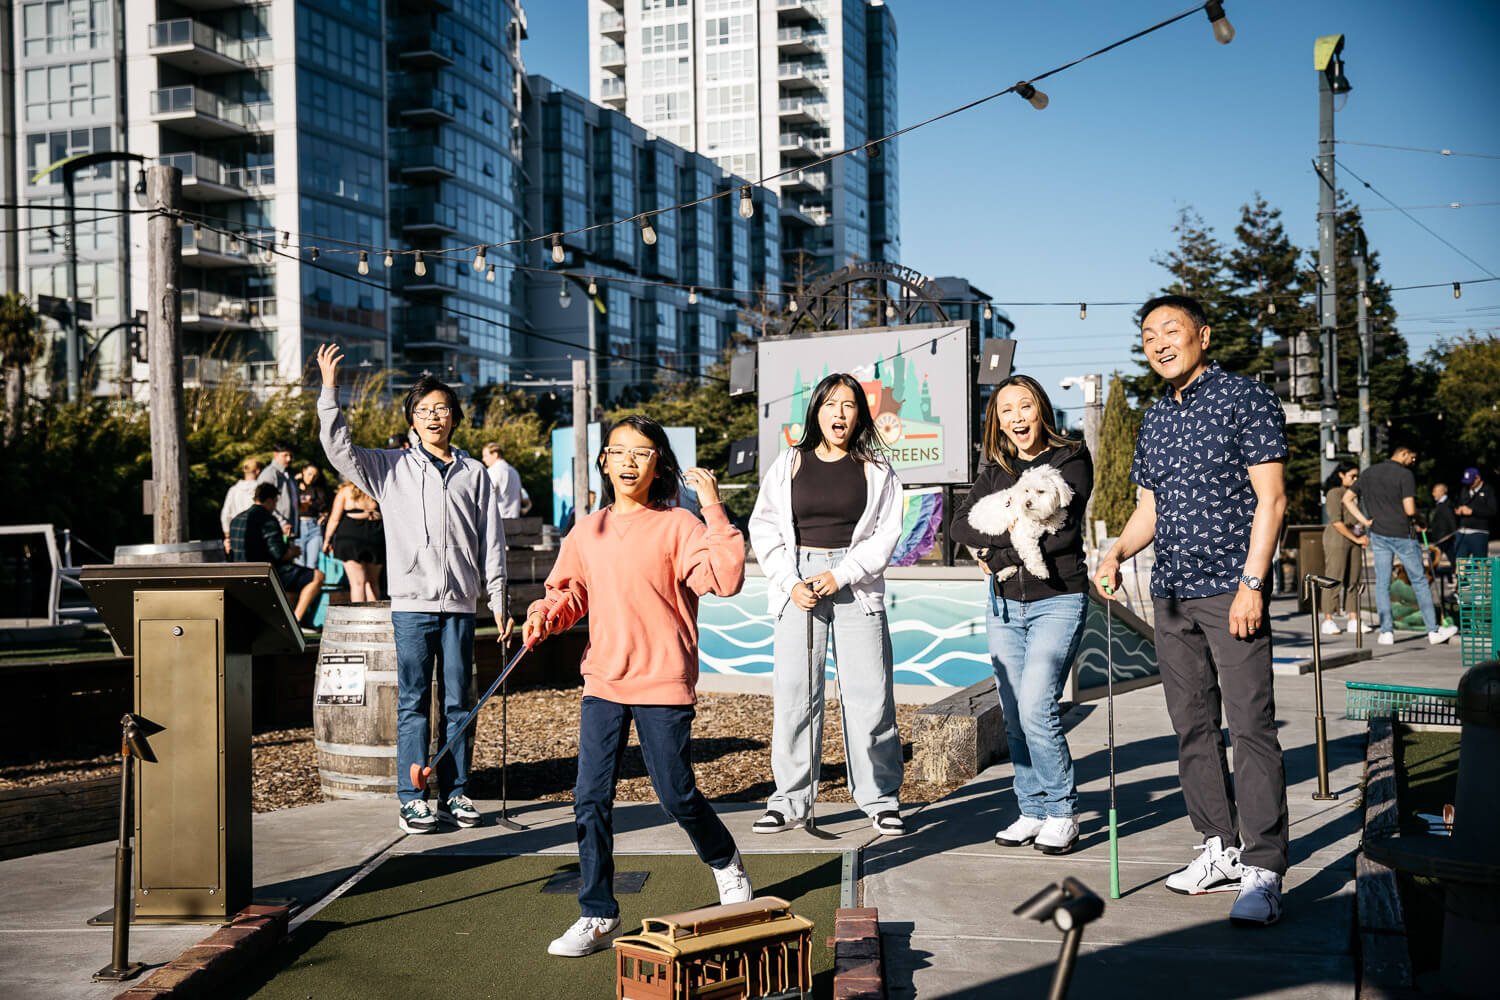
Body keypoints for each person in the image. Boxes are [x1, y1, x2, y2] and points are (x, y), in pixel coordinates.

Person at [523, 415, 752, 957]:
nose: (628, 461)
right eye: (619, 451)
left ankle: (724, 860)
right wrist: (544, 615)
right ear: (604, 460)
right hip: (603, 678)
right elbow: (569, 591)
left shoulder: (680, 526)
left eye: (642, 453)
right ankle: (598, 913)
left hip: (662, 679)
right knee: (589, 797)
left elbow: (725, 577)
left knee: (675, 794)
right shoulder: (588, 529)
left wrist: (713, 506)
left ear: (658, 465)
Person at [1096, 294, 1289, 927]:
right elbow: (1149, 507)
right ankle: (1220, 846)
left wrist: (1252, 584)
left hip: (1231, 593)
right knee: (1192, 726)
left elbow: (1273, 500)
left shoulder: (1245, 398)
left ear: (1202, 335)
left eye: (1171, 330)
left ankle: (1264, 869)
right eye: (1148, 334)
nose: (1158, 342)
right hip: (1170, 594)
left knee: (1251, 727)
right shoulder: (1155, 418)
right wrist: (1118, 549)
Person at [316, 343, 508, 836]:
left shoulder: (476, 475)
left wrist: (500, 600)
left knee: (459, 702)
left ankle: (458, 791)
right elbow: (338, 449)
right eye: (424, 410)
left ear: (455, 417)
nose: (434, 417)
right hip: (411, 606)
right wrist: (330, 391)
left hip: (462, 604)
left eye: (441, 408)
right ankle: (412, 796)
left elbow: (493, 542)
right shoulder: (389, 468)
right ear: (411, 420)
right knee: (414, 701)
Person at [748, 372, 906, 838]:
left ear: (860, 414)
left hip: (855, 583)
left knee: (871, 696)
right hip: (798, 583)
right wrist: (789, 581)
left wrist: (840, 574)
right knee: (796, 695)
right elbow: (765, 528)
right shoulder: (789, 463)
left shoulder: (878, 469)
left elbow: (886, 537)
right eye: (830, 404)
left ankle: (880, 798)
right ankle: (789, 799)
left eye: (849, 405)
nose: (839, 413)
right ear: (816, 410)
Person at [949, 375, 1093, 855]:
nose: (1017, 417)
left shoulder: (1070, 457)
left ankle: (1062, 811)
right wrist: (1000, 553)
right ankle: (1030, 809)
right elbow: (958, 524)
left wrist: (995, 555)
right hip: (1004, 604)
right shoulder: (995, 470)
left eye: (1025, 405)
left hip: (1058, 597)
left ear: (1041, 409)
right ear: (997, 420)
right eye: (1006, 409)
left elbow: (1063, 535)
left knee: (1036, 706)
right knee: (1013, 713)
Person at [1343, 446, 1458, 646]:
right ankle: (1433, 630)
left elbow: (1347, 499)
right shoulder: (1405, 475)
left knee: (1382, 583)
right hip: (1403, 533)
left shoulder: (1369, 472)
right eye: (1412, 458)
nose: (1413, 462)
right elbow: (1410, 509)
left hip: (1378, 533)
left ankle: (1386, 631)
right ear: (1403, 454)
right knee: (1419, 581)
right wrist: (1421, 521)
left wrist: (1365, 520)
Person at [230, 482, 326, 627]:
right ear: (269, 500)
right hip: (265, 574)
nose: (275, 506)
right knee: (318, 576)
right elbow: (278, 554)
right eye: (275, 502)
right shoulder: (268, 519)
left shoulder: (236, 519)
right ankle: (296, 621)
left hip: (239, 573)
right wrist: (293, 552)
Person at [1318, 463, 1369, 636]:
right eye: (1352, 476)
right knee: (1334, 577)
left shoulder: (1355, 495)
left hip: (1354, 536)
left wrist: (1360, 534)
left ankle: (1353, 618)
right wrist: (1355, 537)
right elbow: (1336, 521)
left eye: (1357, 477)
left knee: (1354, 578)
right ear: (1341, 475)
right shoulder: (1334, 493)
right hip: (1337, 537)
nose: (1355, 479)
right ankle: (1328, 619)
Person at [323, 480, 385, 602]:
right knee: (373, 583)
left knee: (357, 583)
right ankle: (374, 619)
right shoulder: (377, 487)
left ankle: (359, 619)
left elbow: (334, 519)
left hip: (351, 535)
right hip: (376, 533)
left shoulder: (345, 491)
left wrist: (327, 540)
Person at [220, 457, 263, 555]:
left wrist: (227, 536)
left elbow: (225, 514)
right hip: (256, 534)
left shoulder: (234, 490)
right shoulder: (260, 490)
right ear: (258, 471)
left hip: (237, 534)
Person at [257, 443, 299, 536]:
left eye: (291, 456)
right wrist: (281, 523)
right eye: (285, 455)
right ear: (275, 455)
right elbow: (263, 502)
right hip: (276, 529)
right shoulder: (269, 474)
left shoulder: (288, 474)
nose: (289, 459)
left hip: (289, 529)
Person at [295, 463, 331, 570]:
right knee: (299, 563)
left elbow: (325, 508)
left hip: (314, 526)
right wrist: (297, 482)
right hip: (299, 526)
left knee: (313, 564)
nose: (311, 478)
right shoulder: (294, 485)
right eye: (309, 474)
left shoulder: (318, 489)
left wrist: (324, 516)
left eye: (315, 476)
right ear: (303, 472)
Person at [1454, 467, 1494, 560]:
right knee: (1460, 561)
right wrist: (1458, 510)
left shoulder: (1488, 490)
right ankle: (1460, 575)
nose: (1469, 485)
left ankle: (1481, 575)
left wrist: (1473, 511)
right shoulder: (1464, 490)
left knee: (1480, 562)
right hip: (1462, 531)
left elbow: (1492, 511)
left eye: (1471, 482)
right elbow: (1458, 503)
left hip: (1479, 532)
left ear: (1478, 478)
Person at [480, 442, 525, 518]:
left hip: (498, 521)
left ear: (495, 454)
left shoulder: (492, 471)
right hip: (515, 521)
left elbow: (484, 496)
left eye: (485, 456)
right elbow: (520, 496)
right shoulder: (514, 472)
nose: (483, 459)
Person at [1426, 482, 1457, 566]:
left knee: (1432, 560)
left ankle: (1430, 577)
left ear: (1442, 492)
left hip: (1444, 537)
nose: (1433, 494)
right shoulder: (1438, 504)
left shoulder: (1447, 504)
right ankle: (1461, 576)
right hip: (1441, 537)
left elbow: (1451, 520)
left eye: (1435, 491)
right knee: (1453, 558)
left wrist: (1454, 534)